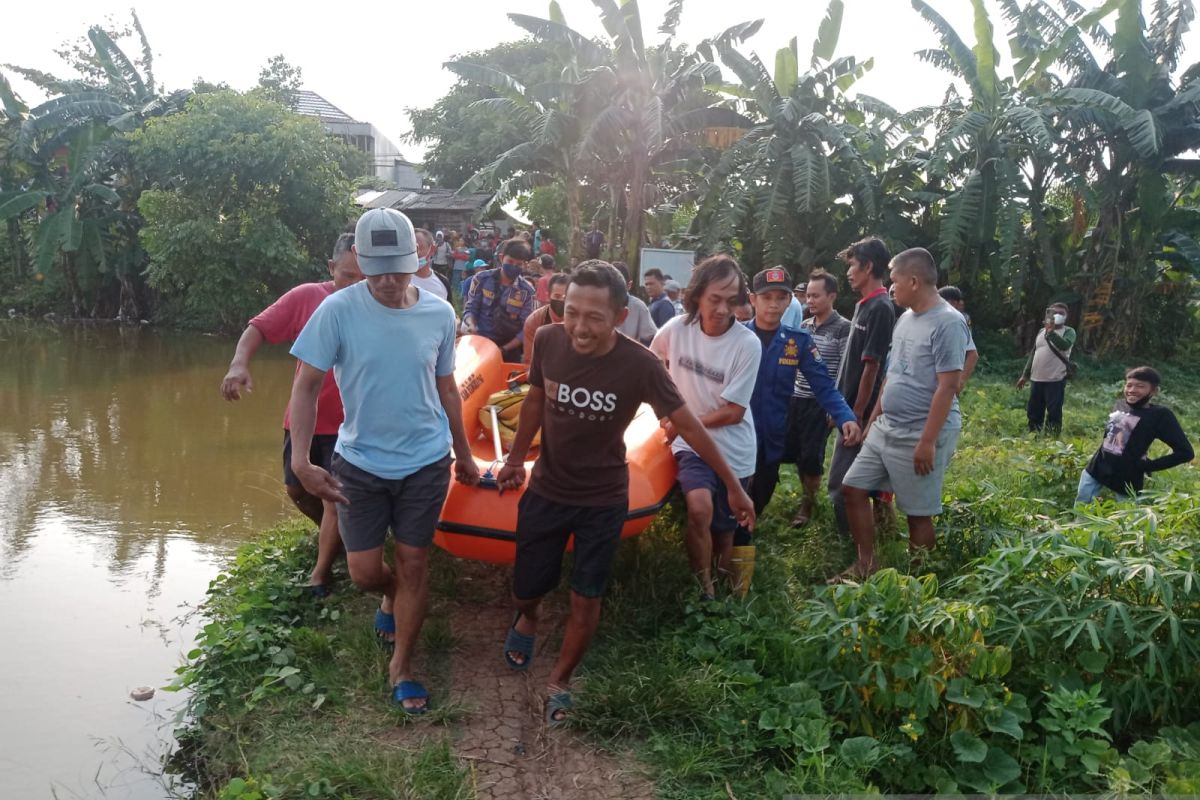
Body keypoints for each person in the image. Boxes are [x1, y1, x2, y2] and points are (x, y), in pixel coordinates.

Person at [496, 260, 753, 725]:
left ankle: (561, 679)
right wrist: (515, 460)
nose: (579, 326)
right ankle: (528, 617)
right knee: (526, 587)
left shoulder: (640, 364)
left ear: (618, 316)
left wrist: (733, 486)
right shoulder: (550, 340)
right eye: (570, 311)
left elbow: (690, 426)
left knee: (586, 595)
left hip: (602, 497)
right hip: (548, 488)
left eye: (593, 317)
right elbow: (535, 398)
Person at [288, 207, 479, 714]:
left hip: (424, 461)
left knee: (416, 563)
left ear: (417, 260)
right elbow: (305, 386)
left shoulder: (439, 314)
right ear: (360, 262)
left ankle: (403, 666)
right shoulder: (337, 310)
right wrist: (304, 460)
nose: (391, 282)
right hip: (361, 462)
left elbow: (446, 388)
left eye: (401, 269)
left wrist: (463, 455)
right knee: (365, 573)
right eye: (380, 272)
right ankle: (391, 596)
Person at [221, 232, 362, 596]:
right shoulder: (307, 297)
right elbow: (259, 328)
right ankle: (341, 540)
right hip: (305, 418)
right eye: (348, 276)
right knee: (296, 489)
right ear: (331, 268)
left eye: (365, 277)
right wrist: (238, 364)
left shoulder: (376, 306)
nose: (356, 285)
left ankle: (321, 573)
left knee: (333, 495)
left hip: (350, 424)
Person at [836, 248, 968, 580]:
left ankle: (921, 584)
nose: (891, 287)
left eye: (894, 281)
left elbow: (948, 387)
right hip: (886, 427)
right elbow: (892, 374)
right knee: (852, 489)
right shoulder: (905, 318)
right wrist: (873, 419)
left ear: (913, 280)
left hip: (919, 432)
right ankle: (866, 564)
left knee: (917, 514)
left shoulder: (948, 322)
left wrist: (927, 442)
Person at [737, 268, 859, 586]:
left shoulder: (797, 342)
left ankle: (737, 553)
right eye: (766, 297)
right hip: (734, 437)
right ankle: (733, 569)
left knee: (758, 497)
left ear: (792, 300)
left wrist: (845, 416)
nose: (773, 305)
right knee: (731, 504)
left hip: (772, 438)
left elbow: (824, 386)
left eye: (781, 298)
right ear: (753, 300)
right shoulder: (735, 337)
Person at [650, 255, 762, 598]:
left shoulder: (747, 344)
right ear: (697, 294)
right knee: (699, 508)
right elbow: (652, 362)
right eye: (715, 299)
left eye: (732, 301)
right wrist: (664, 411)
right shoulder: (678, 328)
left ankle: (725, 590)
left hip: (733, 448)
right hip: (691, 445)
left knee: (724, 529)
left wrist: (682, 422)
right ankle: (705, 589)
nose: (723, 309)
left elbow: (733, 412)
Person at [827, 236, 895, 537]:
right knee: (861, 481)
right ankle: (880, 534)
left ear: (868, 267)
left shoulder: (881, 308)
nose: (848, 272)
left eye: (853, 266)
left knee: (842, 486)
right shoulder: (864, 305)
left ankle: (854, 545)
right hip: (848, 408)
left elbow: (872, 367)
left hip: (859, 414)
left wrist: (853, 414)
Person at [788, 269, 853, 527]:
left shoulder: (843, 328)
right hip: (796, 399)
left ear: (832, 296)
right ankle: (807, 494)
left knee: (812, 456)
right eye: (808, 296)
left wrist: (834, 409)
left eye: (816, 296)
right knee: (795, 451)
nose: (810, 301)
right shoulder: (803, 326)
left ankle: (807, 504)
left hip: (821, 403)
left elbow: (845, 371)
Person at [1076, 366, 1193, 504]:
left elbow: (1186, 453)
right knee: (1081, 510)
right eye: (1129, 385)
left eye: (1140, 386)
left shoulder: (1160, 416)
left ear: (1154, 391)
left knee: (1128, 520)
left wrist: (1150, 466)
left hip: (1128, 477)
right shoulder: (1120, 405)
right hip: (1096, 468)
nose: (1131, 390)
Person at [462, 238, 537, 360]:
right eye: (510, 261)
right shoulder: (481, 279)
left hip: (509, 350)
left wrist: (503, 349)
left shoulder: (527, 291)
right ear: (502, 258)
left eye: (518, 264)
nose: (513, 266)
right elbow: (471, 308)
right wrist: (471, 324)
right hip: (480, 344)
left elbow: (526, 328)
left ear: (525, 265)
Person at [1017, 302, 1076, 433]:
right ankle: (1034, 434)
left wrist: (1051, 332)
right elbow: (1034, 353)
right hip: (1036, 378)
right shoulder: (1041, 331)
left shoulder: (1069, 331)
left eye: (1062, 313)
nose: (1058, 315)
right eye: (1055, 313)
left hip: (1056, 379)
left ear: (1067, 316)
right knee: (1034, 410)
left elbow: (1064, 345)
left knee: (1054, 410)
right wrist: (1024, 375)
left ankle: (1052, 437)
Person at [938, 286, 978, 393]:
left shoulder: (958, 321)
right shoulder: (939, 320)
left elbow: (973, 355)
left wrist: (960, 383)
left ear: (954, 303)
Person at [523, 273, 569, 363]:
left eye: (566, 297)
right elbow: (530, 360)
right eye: (557, 296)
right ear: (548, 296)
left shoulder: (579, 321)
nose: (562, 301)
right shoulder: (534, 321)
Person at [612, 261, 657, 346]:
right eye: (610, 286)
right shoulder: (598, 304)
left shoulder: (638, 306)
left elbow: (651, 336)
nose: (614, 291)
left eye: (619, 287)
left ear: (629, 285)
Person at [411, 228, 449, 301]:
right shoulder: (399, 282)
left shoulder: (443, 283)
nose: (415, 253)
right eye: (411, 249)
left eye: (419, 248)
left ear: (432, 249)